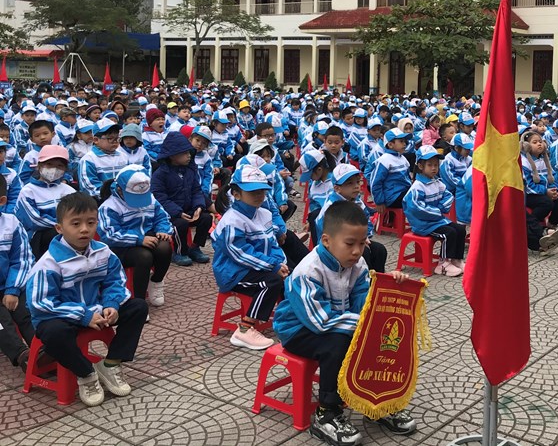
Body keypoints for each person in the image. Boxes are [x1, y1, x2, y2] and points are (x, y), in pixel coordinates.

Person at [273, 201, 417, 446]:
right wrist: (364, 327)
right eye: (350, 244)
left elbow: (365, 300)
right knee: (337, 344)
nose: (357, 251)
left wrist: (391, 284)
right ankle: (326, 413)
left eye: (362, 243)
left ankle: (376, 402)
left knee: (377, 339)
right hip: (298, 329)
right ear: (326, 240)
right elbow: (320, 322)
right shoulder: (308, 271)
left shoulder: (357, 264)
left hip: (337, 323)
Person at [25, 192, 148, 407]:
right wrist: (83, 315)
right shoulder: (50, 263)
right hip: (62, 317)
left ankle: (110, 364)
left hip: (97, 310)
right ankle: (86, 374)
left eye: (90, 223)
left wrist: (111, 305)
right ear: (59, 228)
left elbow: (115, 281)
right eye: (76, 224)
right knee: (52, 333)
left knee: (138, 307)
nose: (84, 229)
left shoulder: (103, 252)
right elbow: (40, 303)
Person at [211, 165, 286, 351]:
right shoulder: (232, 220)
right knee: (271, 282)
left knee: (291, 276)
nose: (259, 195)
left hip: (257, 266)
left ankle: (288, 319)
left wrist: (280, 262)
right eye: (253, 192)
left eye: (262, 191)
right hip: (233, 273)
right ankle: (244, 329)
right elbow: (240, 254)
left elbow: (273, 244)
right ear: (236, 194)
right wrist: (273, 266)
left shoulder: (264, 213)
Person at [97, 166, 173, 307]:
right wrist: (138, 239)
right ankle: (139, 302)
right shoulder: (109, 207)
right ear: (120, 189)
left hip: (147, 238)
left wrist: (163, 230)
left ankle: (156, 281)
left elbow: (162, 217)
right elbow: (109, 235)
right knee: (144, 257)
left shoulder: (151, 198)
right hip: (121, 247)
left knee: (164, 247)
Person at [150, 132, 213, 267]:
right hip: (170, 213)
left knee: (206, 218)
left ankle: (195, 247)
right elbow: (160, 198)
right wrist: (177, 212)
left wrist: (198, 207)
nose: (189, 155)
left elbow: (196, 190)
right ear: (172, 155)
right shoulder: (160, 174)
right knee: (180, 224)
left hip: (188, 209)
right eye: (185, 153)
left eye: (189, 152)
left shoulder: (189, 170)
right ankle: (179, 252)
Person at [404, 146, 466, 276]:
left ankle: (456, 259)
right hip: (423, 224)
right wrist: (437, 211)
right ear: (420, 166)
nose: (434, 168)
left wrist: (441, 208)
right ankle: (443, 264)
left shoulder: (437, 182)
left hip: (437, 221)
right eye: (430, 165)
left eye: (436, 165)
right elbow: (417, 207)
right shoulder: (417, 187)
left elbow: (448, 196)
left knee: (460, 229)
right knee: (449, 233)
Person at [314, 163, 387, 273]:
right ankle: (363, 279)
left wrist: (364, 237)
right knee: (364, 253)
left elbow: (366, 220)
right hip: (334, 244)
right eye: (350, 183)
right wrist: (357, 241)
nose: (356, 186)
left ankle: (378, 279)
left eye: (358, 182)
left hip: (355, 239)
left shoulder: (357, 201)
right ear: (337, 188)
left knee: (379, 250)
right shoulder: (332, 207)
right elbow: (330, 232)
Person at [0, 176, 37, 371]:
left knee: (25, 312)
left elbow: (23, 259)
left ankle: (43, 350)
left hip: (10, 283)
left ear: (2, 201)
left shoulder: (11, 223)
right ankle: (22, 354)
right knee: (2, 322)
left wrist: (12, 289)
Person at [15, 145, 78, 259]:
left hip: (67, 231)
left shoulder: (69, 190)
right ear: (39, 166)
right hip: (38, 237)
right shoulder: (28, 191)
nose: (54, 169)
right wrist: (63, 226)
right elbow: (34, 220)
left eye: (59, 166)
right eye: (49, 164)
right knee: (57, 234)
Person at [520, 130, 558, 241]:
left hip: (545, 191)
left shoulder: (544, 159)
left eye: (540, 141)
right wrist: (545, 192)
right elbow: (528, 185)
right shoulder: (524, 162)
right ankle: (534, 226)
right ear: (526, 146)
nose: (539, 144)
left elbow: (553, 176)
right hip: (530, 194)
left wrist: (554, 190)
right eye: (535, 142)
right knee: (546, 203)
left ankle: (552, 224)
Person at [79, 119, 128, 202]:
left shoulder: (123, 156)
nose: (115, 142)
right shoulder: (89, 159)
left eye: (117, 138)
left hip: (124, 199)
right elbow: (91, 187)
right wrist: (114, 194)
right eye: (110, 138)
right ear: (96, 140)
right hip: (100, 201)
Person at [370, 128, 413, 213]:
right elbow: (375, 182)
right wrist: (379, 201)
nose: (404, 144)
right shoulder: (385, 160)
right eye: (401, 141)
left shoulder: (402, 158)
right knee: (416, 198)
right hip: (393, 196)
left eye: (404, 141)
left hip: (402, 192)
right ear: (390, 144)